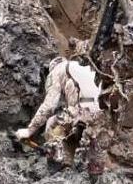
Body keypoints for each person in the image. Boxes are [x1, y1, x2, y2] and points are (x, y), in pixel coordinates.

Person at [16, 40, 109, 175]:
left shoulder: (56, 70)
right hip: (100, 112)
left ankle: (58, 164)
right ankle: (94, 172)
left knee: (52, 122)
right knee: (93, 152)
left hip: (81, 110)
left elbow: (49, 105)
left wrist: (30, 130)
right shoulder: (78, 67)